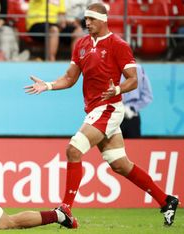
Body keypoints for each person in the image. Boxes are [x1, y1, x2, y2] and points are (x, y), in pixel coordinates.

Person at [24, 2, 179, 227]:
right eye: (85, 19)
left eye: (92, 19)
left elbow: (133, 79)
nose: (87, 23)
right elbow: (69, 78)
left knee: (74, 149)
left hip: (109, 107)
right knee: (120, 164)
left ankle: (66, 209)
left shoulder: (119, 45)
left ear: (104, 20)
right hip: (95, 109)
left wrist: (117, 89)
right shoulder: (82, 45)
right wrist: (47, 85)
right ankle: (166, 200)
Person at [120, 64, 153, 138]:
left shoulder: (139, 69)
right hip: (114, 115)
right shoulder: (109, 67)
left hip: (132, 116)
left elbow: (147, 96)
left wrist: (133, 108)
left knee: (135, 147)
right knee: (114, 148)